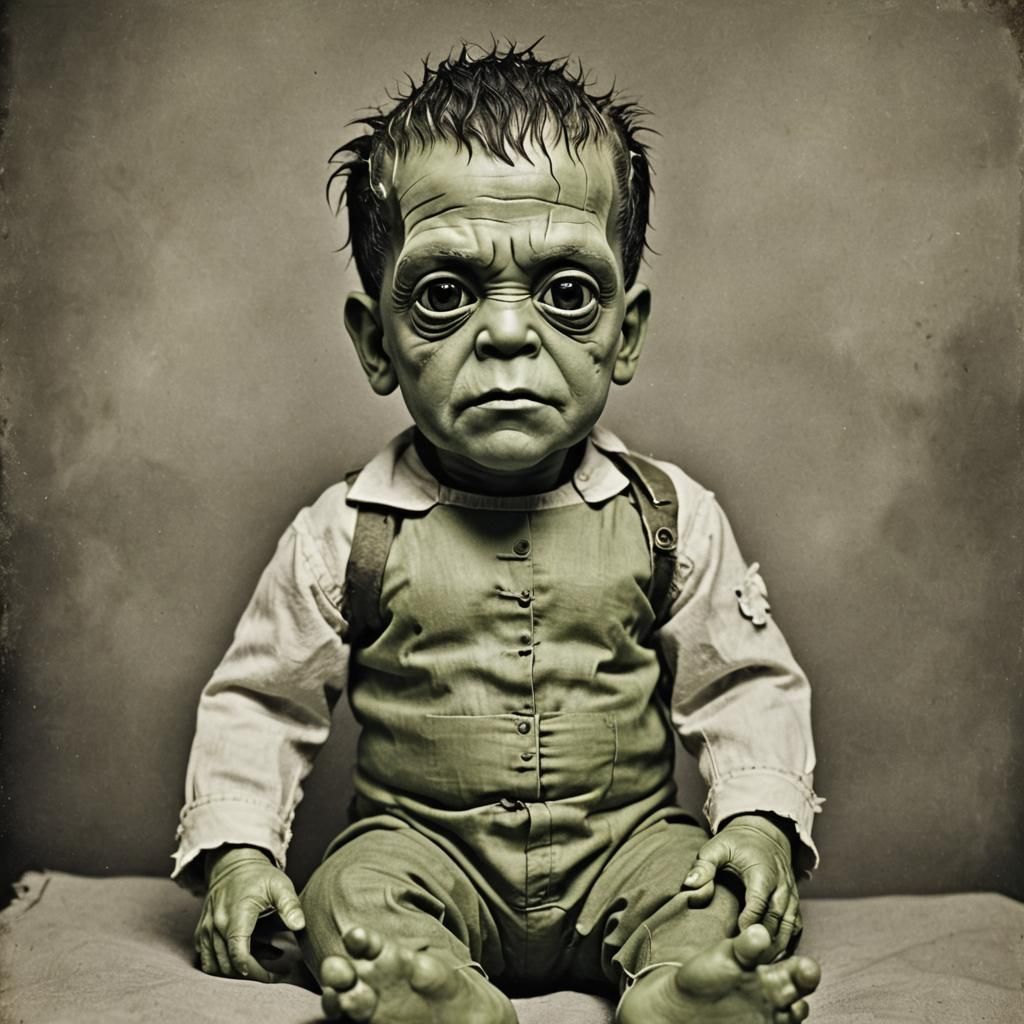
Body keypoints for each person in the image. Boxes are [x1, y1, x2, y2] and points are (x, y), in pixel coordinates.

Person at [172, 43, 824, 1024]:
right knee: (346, 898)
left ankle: (684, 992)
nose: (509, 334)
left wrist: (758, 826)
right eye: (445, 293)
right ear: (376, 342)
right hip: (421, 851)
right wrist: (240, 854)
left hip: (629, 850)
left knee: (713, 897)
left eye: (567, 292)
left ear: (625, 332)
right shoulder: (345, 533)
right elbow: (260, 704)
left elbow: (744, 683)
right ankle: (434, 994)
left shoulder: (668, 516)